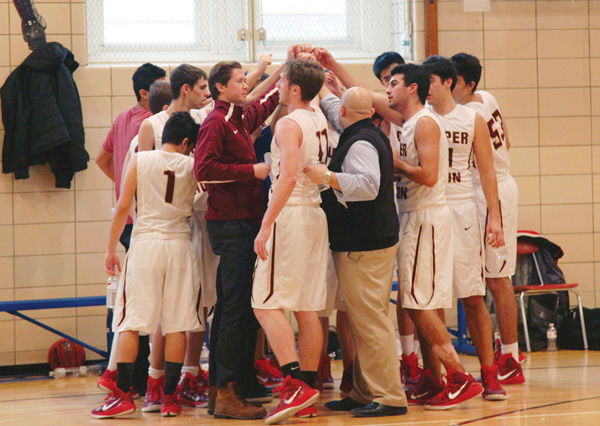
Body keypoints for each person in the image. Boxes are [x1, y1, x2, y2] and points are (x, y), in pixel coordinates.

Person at [385, 63, 484, 410]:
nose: (387, 89)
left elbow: (427, 175)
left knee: (417, 303)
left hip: (427, 217)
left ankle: (459, 377)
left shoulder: (425, 122)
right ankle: (433, 376)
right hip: (414, 216)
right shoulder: (410, 123)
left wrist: (394, 163)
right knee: (415, 302)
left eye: (393, 83)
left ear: (412, 88)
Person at [91, 112, 202, 419]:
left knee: (131, 321)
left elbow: (123, 206)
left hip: (147, 244)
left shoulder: (140, 159)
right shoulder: (193, 165)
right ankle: (169, 398)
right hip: (180, 245)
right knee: (177, 324)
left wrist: (110, 249)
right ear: (185, 142)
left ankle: (124, 394)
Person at [194, 54, 286, 420]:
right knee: (232, 308)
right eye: (239, 81)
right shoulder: (216, 122)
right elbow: (204, 168)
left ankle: (236, 383)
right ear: (220, 87)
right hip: (230, 223)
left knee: (241, 307)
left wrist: (287, 70)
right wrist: (253, 170)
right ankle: (226, 391)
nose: (245, 85)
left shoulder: (236, 117)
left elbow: (265, 106)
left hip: (243, 220)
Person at [306, 86, 407, 418]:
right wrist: (322, 86)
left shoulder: (360, 141)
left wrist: (329, 176)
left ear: (347, 114)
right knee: (365, 322)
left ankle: (390, 396)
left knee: (371, 322)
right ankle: (365, 391)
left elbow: (368, 185)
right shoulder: (364, 128)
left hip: (365, 245)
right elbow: (339, 107)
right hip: (369, 241)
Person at [421, 55, 507, 401]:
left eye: (429, 81)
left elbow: (487, 172)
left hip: (462, 209)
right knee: (430, 299)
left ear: (449, 81)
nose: (424, 88)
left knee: (472, 295)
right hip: (428, 209)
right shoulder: (419, 118)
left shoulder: (472, 118)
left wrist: (495, 217)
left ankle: (489, 373)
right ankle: (436, 376)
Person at [252, 58, 328, 424]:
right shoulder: (318, 118)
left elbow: (287, 177)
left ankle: (294, 382)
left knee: (264, 303)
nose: (277, 86)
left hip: (291, 213)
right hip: (315, 214)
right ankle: (307, 392)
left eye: (281, 81)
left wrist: (266, 224)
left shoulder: (288, 122)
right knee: (306, 307)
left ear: (295, 89)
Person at [134, 64, 213, 414]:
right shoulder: (150, 127)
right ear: (185, 90)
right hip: (162, 230)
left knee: (184, 312)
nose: (207, 93)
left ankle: (177, 380)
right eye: (202, 87)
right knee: (165, 316)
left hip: (180, 227)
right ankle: (157, 384)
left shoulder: (202, 122)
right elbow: (132, 191)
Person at [451, 52, 523, 384]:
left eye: (454, 80)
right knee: (495, 278)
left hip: (489, 191)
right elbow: (507, 138)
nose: (449, 85)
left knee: (497, 279)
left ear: (469, 84)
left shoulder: (469, 111)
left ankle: (510, 357)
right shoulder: (487, 97)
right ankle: (507, 353)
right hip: (499, 186)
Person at [95, 63, 166, 396]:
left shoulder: (122, 117)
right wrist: (133, 192)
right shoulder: (149, 125)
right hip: (144, 221)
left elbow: (102, 159)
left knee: (135, 298)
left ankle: (129, 377)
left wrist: (124, 188)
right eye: (159, 89)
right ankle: (135, 378)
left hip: (128, 222)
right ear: (144, 93)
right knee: (145, 304)